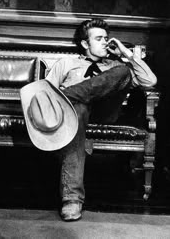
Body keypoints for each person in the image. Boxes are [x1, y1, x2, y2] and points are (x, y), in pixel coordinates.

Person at [44, 18, 157, 221]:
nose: (105, 42)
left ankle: (69, 95)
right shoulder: (66, 63)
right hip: (75, 116)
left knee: (123, 71)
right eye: (99, 38)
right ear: (85, 43)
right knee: (77, 110)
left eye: (106, 38)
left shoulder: (115, 66)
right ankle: (71, 200)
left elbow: (150, 81)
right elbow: (46, 94)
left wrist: (126, 55)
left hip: (105, 113)